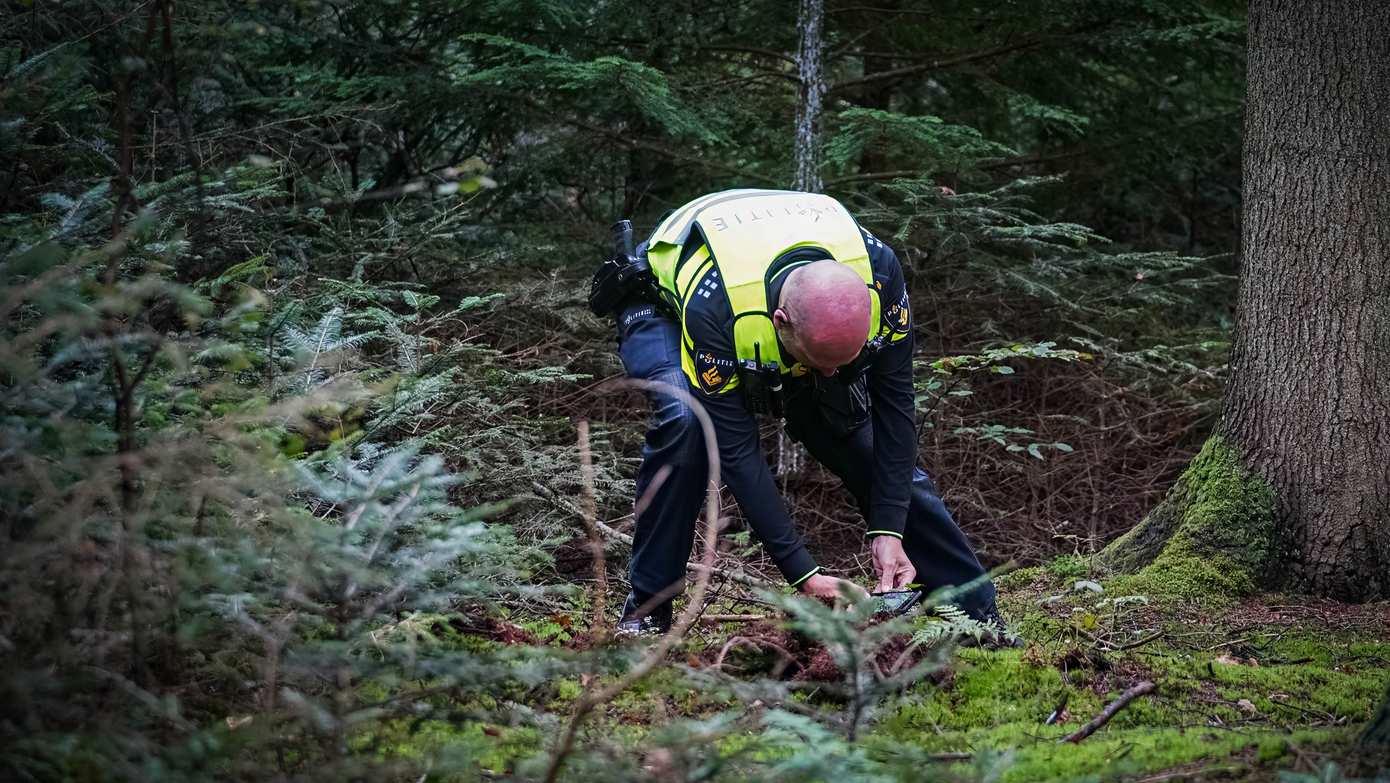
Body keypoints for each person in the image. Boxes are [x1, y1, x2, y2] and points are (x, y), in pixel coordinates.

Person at [597, 189, 1002, 635]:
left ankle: (971, 608)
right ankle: (646, 613)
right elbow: (735, 450)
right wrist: (802, 572)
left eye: (843, 361)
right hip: (666, 303)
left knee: (850, 424)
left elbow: (895, 408)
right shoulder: (715, 308)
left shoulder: (882, 275)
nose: (831, 372)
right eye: (822, 360)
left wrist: (891, 528)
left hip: (792, 302)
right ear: (780, 321)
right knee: (687, 425)